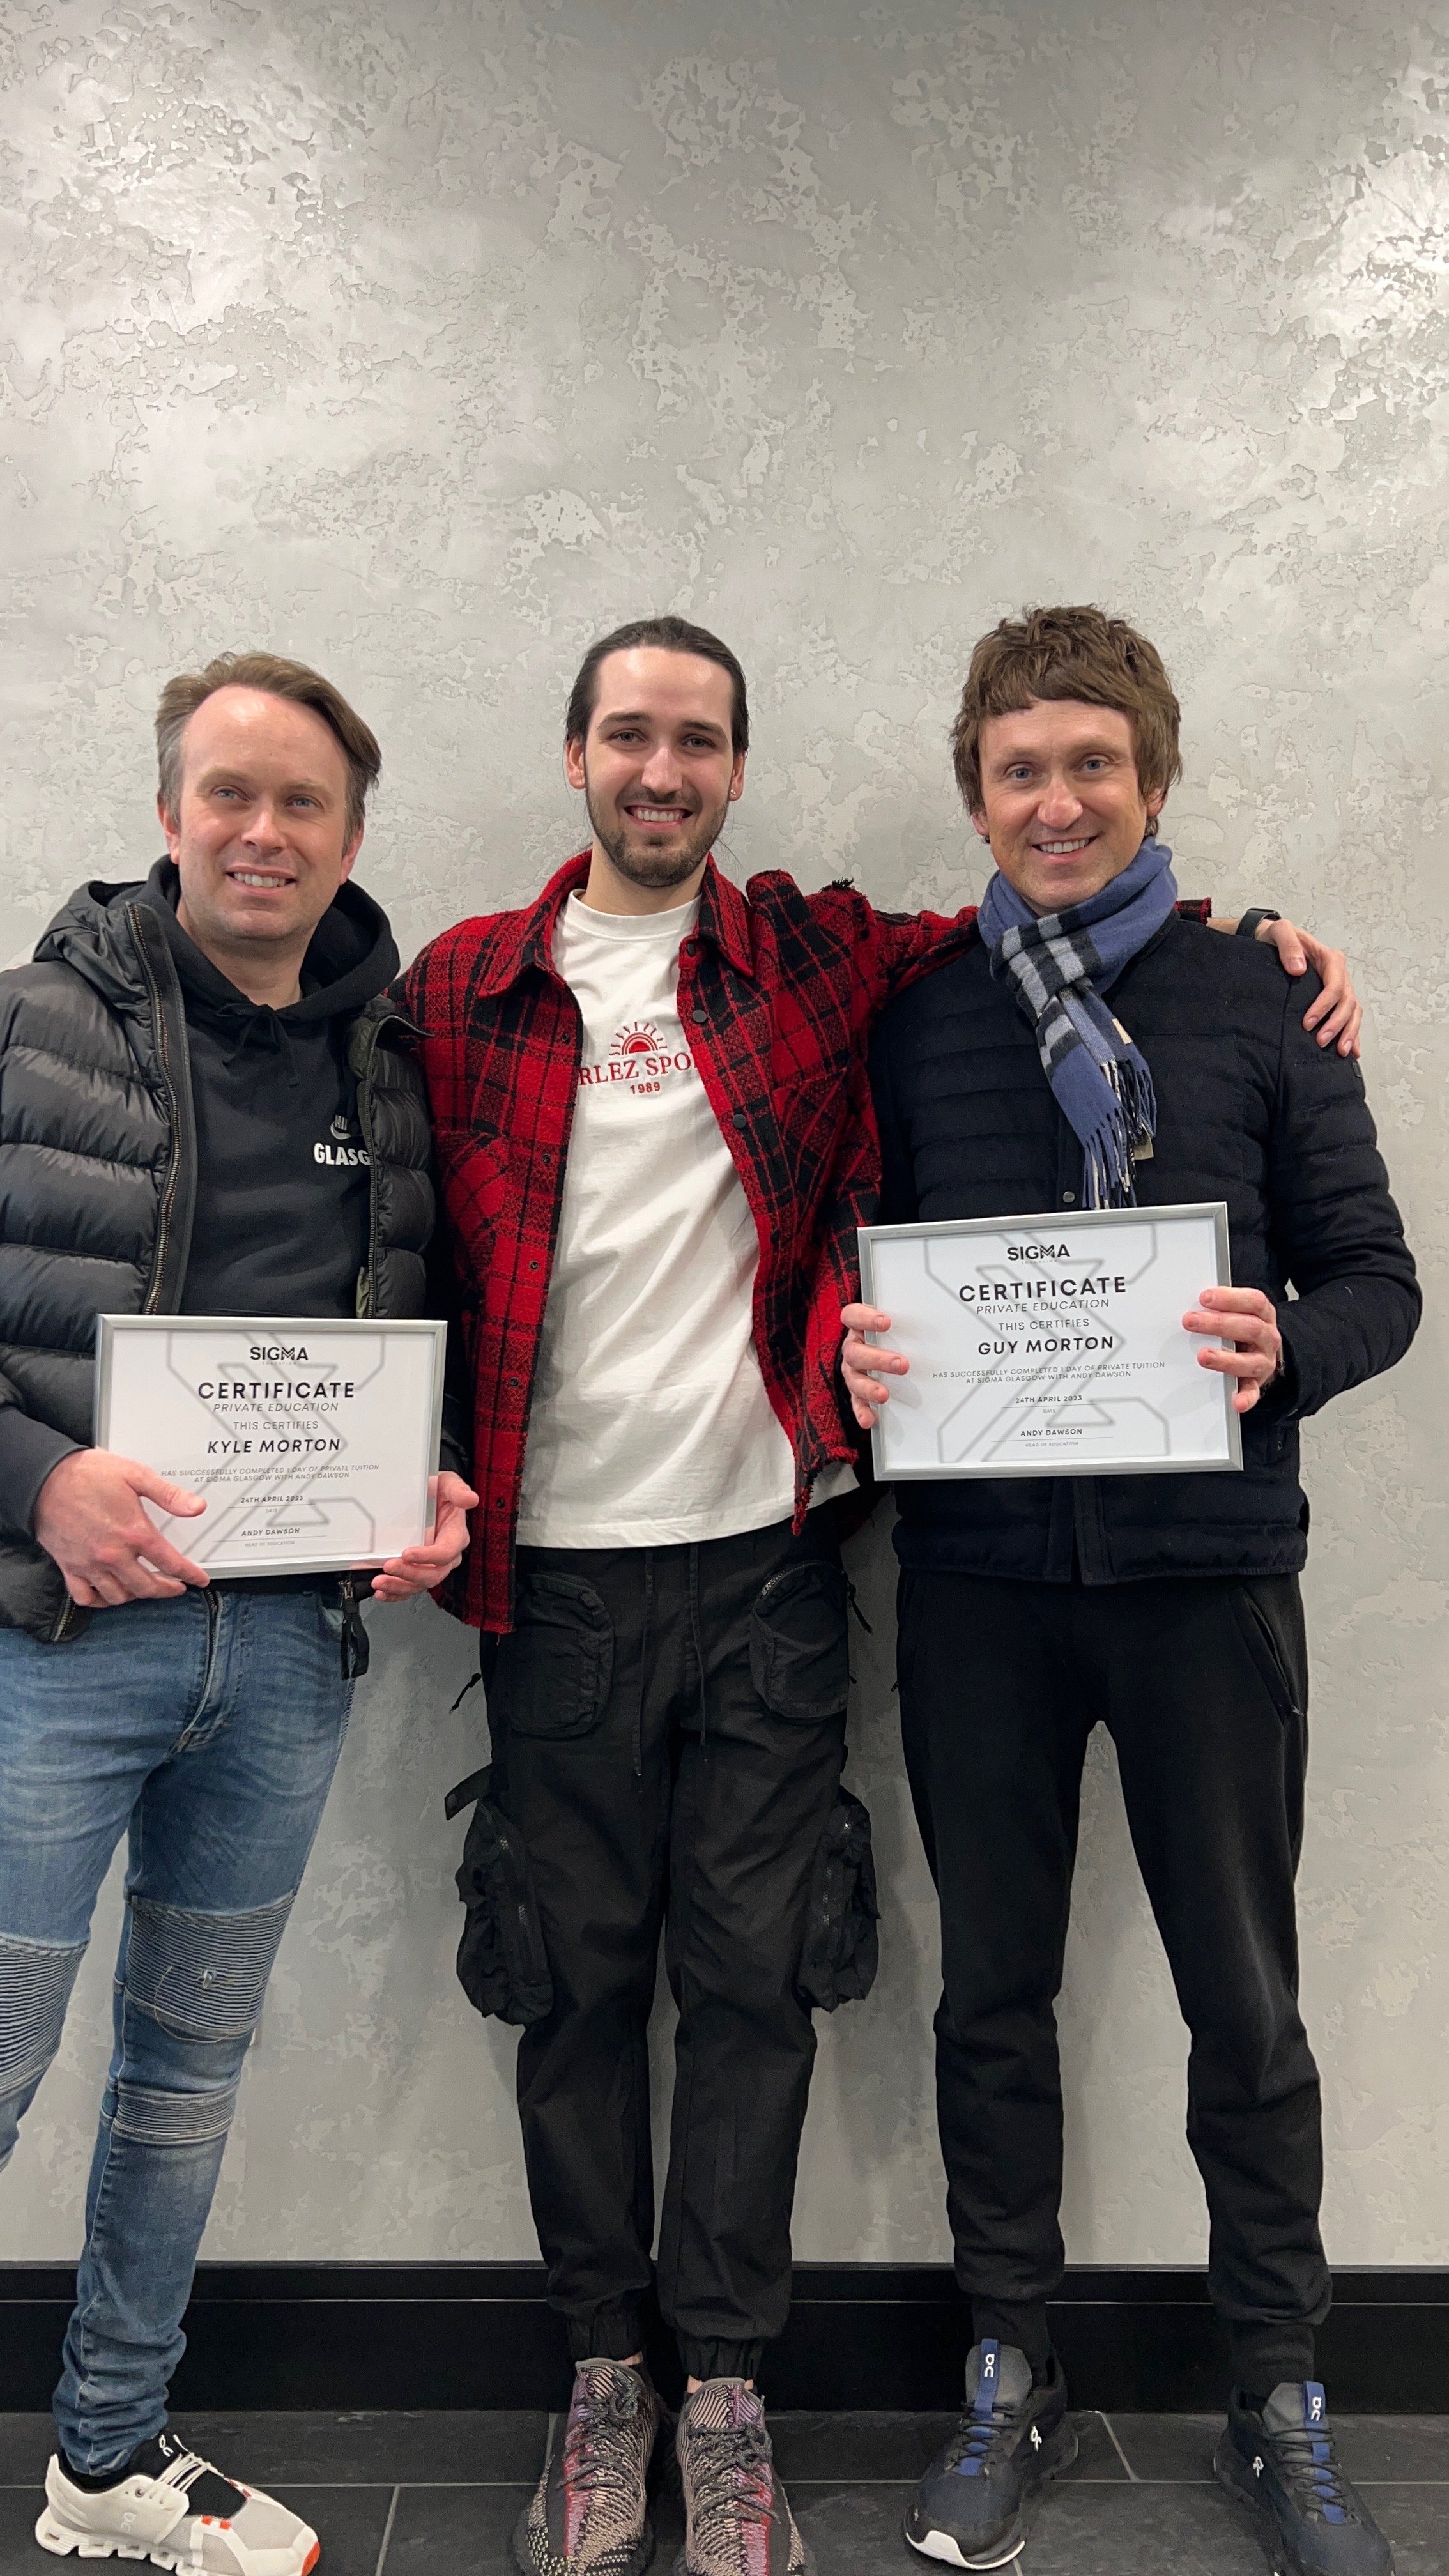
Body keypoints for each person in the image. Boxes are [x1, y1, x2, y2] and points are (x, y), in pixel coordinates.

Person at [402, 613, 1356, 2576]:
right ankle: (725, 2378)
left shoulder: (868, 968)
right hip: (694, 1583)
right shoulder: (481, 991)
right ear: (577, 753)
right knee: (653, 1996)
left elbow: (1345, 1243)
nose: (662, 770)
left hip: (919, 1574)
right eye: (628, 735)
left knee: (873, 1996)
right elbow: (369, 1195)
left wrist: (1274, 954)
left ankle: (1212, 2396)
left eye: (699, 741)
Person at [841, 605, 1420, 2576]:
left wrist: (1287, 1348)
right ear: (977, 797)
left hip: (1206, 1584)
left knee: (1241, 2005)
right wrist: (860, 1355)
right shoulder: (912, 1015)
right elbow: (843, 1265)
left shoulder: (1263, 1000)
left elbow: (1377, 1281)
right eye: (1019, 770)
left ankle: (1279, 2393)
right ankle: (1012, 2359)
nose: (1058, 799)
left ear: (1150, 782)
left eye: (1093, 765)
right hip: (979, 1585)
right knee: (989, 1995)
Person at [0, 653, 475, 2576]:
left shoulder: (395, 1060)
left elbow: (392, 1342)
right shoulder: (33, 1027)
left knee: (185, 2075)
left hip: (282, 1656)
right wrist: (36, 1480)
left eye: (301, 804)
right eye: (228, 794)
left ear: (354, 835)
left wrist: (422, 1493)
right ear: (172, 810)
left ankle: (107, 2457)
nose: (261, 832)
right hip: (54, 1647)